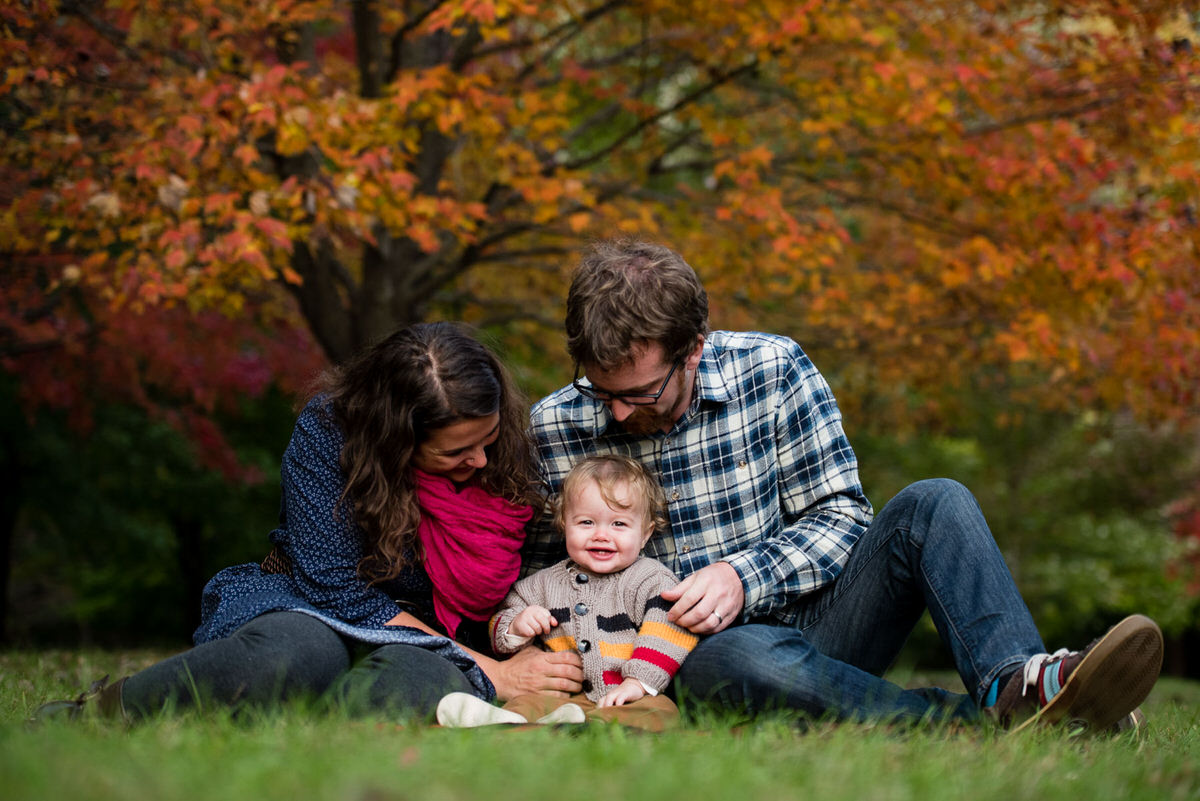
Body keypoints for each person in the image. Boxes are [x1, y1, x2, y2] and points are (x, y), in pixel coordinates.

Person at [522, 237, 1164, 732]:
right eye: (599, 391)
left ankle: (1014, 684)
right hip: (693, 662)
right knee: (732, 656)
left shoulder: (772, 369)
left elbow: (844, 518)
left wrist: (745, 576)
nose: (617, 415)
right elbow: (552, 581)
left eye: (640, 392)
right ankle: (997, 723)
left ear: (693, 348)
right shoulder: (554, 424)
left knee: (934, 502)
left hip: (826, 623)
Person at [34, 322, 583, 723]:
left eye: (486, 441)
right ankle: (103, 714)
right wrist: (496, 673)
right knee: (296, 652)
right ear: (395, 437)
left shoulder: (506, 446)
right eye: (456, 451)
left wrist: (509, 652)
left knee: (417, 681)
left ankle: (304, 733)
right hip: (312, 606)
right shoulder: (329, 435)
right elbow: (342, 592)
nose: (482, 462)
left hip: (437, 635)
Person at [436, 454, 697, 731]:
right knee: (528, 702)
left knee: (660, 710)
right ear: (564, 524)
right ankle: (500, 721)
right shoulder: (543, 584)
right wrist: (516, 625)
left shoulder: (650, 579)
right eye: (586, 522)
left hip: (622, 695)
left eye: (618, 524)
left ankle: (587, 725)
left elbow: (668, 629)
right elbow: (500, 623)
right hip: (560, 697)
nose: (601, 535)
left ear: (645, 534)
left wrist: (638, 682)